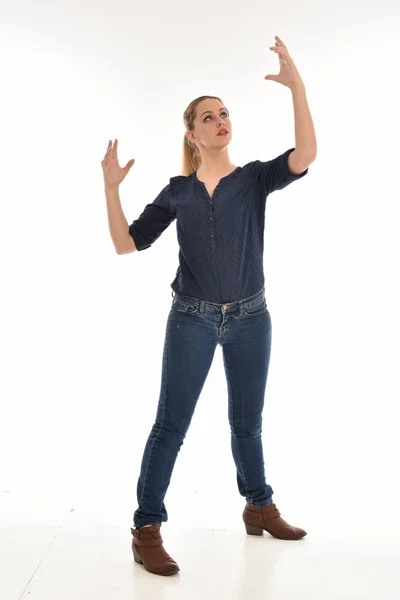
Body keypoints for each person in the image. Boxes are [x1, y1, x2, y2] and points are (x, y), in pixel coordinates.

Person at [102, 91, 315, 576]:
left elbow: (305, 155)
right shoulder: (178, 191)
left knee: (248, 423)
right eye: (208, 117)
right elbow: (125, 244)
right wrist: (112, 189)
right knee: (170, 426)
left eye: (224, 114)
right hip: (191, 319)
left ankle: (259, 505)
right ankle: (146, 528)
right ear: (193, 135)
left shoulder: (255, 178)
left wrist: (294, 86)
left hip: (251, 317)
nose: (220, 121)